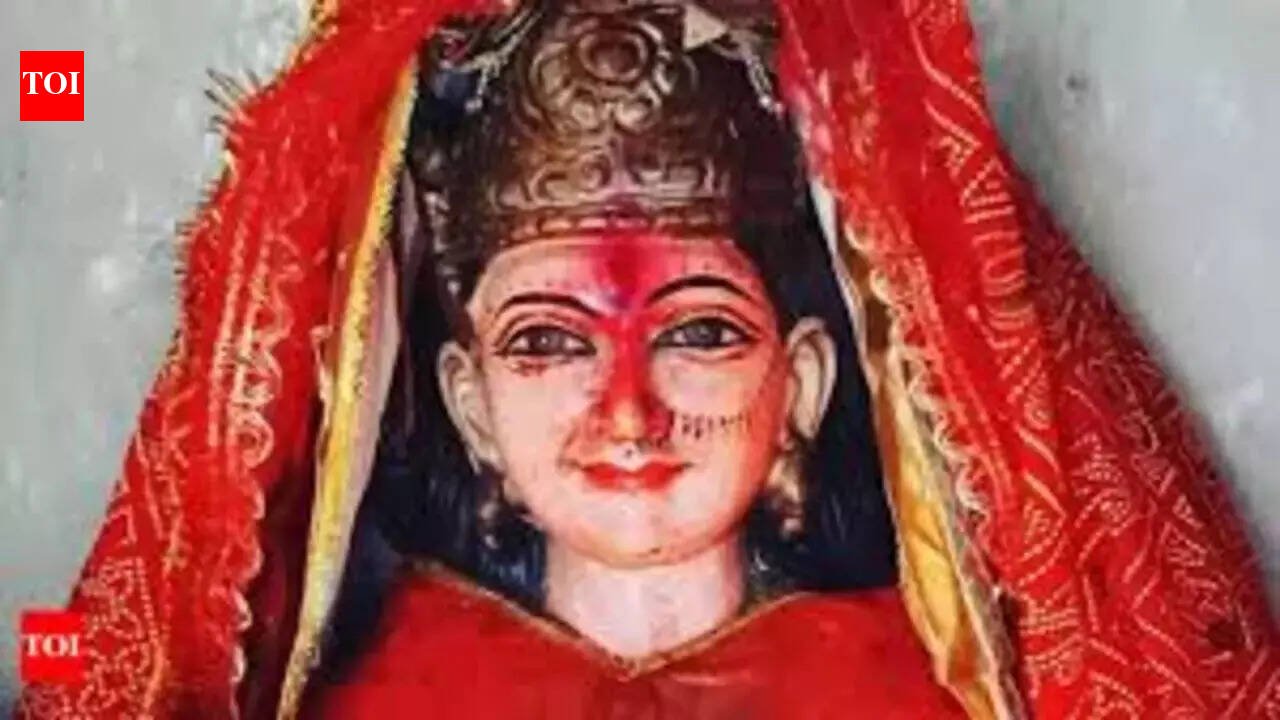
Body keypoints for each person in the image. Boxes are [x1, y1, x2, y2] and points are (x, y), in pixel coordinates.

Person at [17, 0, 1279, 718]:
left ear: (805, 380)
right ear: (465, 400)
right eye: (546, 341)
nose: (626, 410)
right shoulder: (385, 701)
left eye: (696, 332)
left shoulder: (911, 695)